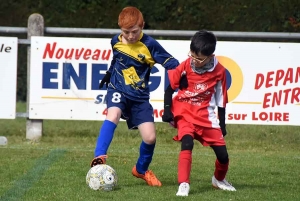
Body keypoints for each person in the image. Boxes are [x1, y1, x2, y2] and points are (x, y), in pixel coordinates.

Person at [91, 6, 180, 187]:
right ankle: (99, 156)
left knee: (150, 138)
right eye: (126, 32)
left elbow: (172, 63)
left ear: (142, 26)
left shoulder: (150, 45)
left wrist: (182, 73)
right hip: (117, 90)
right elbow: (116, 59)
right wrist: (109, 73)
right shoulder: (115, 41)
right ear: (119, 29)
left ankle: (141, 170)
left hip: (139, 98)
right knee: (113, 114)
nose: (130, 36)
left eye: (134, 32)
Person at [162, 30, 236, 196]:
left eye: (199, 58)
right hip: (185, 111)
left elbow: (221, 100)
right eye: (192, 55)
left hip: (206, 117)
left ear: (211, 56)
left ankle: (218, 179)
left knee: (223, 156)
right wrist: (167, 110)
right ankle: (183, 184)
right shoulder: (185, 65)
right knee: (187, 143)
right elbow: (169, 89)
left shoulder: (220, 72)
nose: (194, 60)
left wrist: (222, 125)